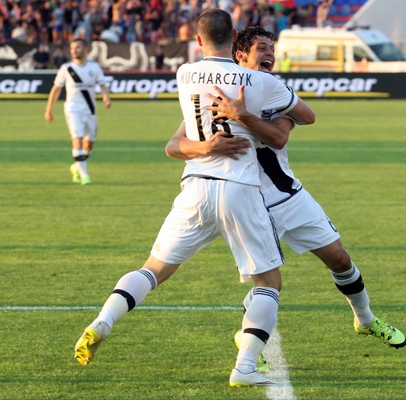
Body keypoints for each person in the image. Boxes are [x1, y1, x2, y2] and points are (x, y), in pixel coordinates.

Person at [73, 8, 315, 388]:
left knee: (153, 269)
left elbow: (177, 140)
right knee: (268, 280)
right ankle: (246, 366)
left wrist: (205, 145)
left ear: (197, 39)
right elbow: (306, 115)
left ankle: (102, 321)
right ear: (235, 36)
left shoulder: (184, 74)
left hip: (196, 183)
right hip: (240, 186)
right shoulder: (255, 79)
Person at [166, 26, 406, 370]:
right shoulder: (210, 94)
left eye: (272, 49)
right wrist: (205, 145)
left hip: (288, 196)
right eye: (261, 48)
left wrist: (244, 115)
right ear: (239, 55)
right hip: (243, 199)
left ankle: (366, 320)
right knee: (266, 281)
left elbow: (284, 134)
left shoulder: (274, 92)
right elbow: (176, 144)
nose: (270, 54)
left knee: (339, 258)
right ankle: (251, 347)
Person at [45, 38, 111, 185]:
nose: (74, 50)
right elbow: (56, 89)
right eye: (72, 48)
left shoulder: (94, 67)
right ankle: (84, 174)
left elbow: (103, 86)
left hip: (90, 110)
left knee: (89, 145)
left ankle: (76, 166)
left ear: (85, 49)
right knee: (78, 140)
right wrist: (49, 109)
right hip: (72, 109)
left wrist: (106, 97)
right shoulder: (66, 68)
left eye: (77, 47)